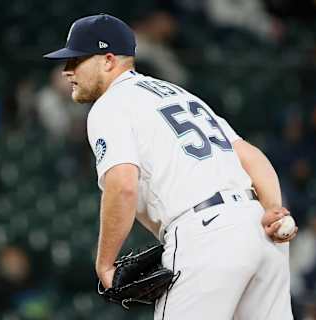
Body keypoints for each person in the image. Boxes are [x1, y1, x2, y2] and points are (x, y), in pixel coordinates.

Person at [43, 14, 295, 319]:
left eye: (76, 60)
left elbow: (122, 186)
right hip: (261, 233)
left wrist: (105, 264)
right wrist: (272, 209)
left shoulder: (110, 105)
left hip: (206, 234)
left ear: (108, 60)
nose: (67, 71)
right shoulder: (181, 96)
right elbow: (252, 156)